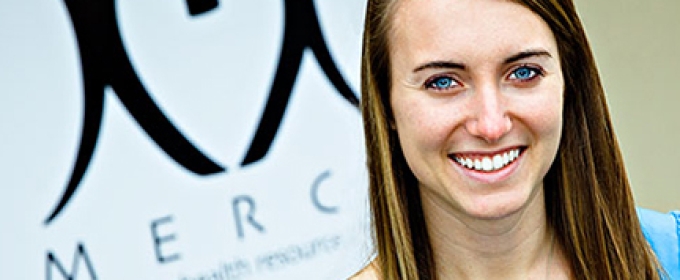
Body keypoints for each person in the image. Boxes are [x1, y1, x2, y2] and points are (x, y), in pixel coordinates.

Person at [351, 0, 680, 279]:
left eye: (524, 72)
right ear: (386, 104)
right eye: (442, 82)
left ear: (569, 82)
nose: (491, 125)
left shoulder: (671, 255)